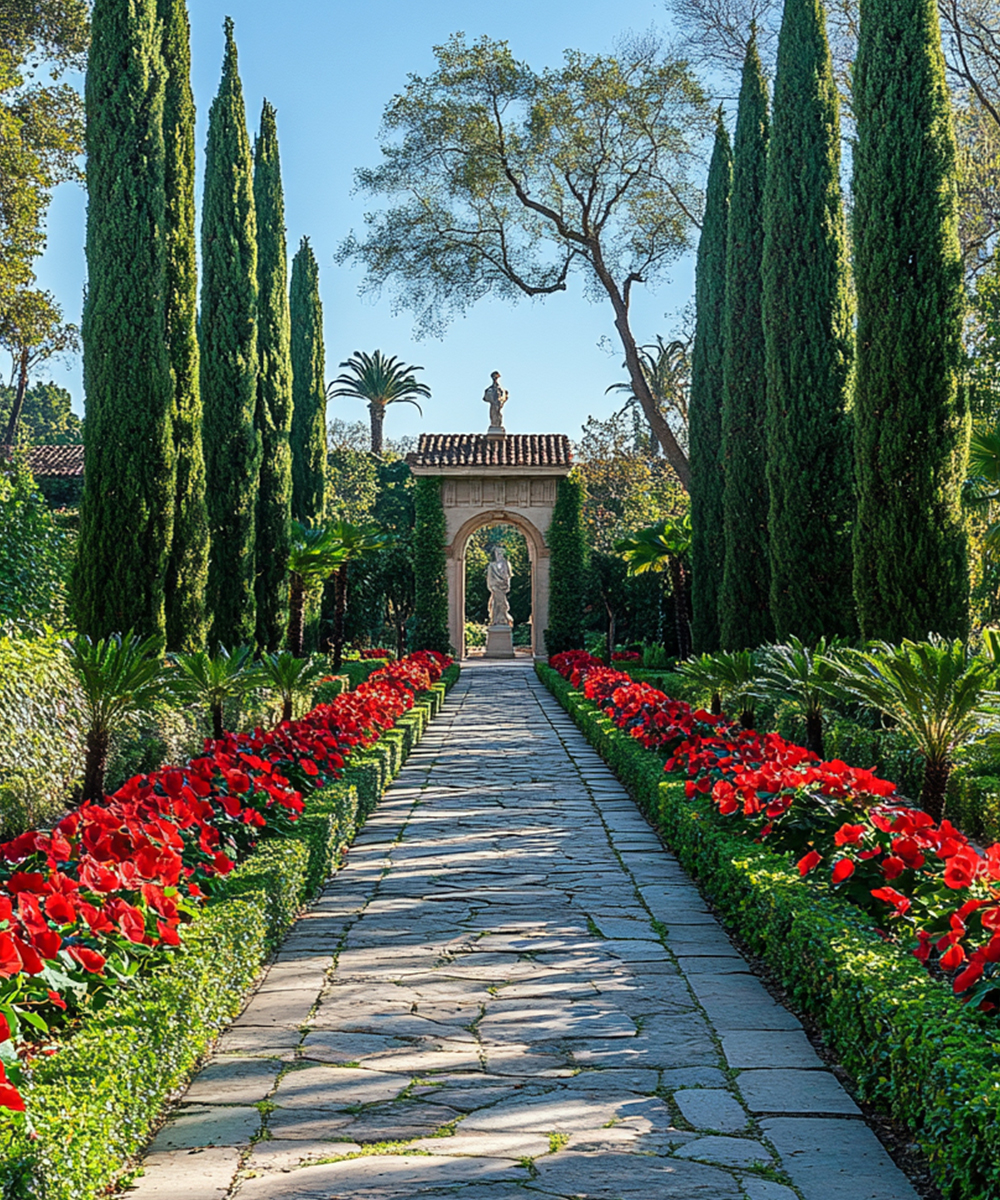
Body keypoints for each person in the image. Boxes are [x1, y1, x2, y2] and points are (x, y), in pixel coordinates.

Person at [486, 544, 513, 625]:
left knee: (502, 603)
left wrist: (507, 584)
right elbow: (490, 577)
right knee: (497, 603)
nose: (499, 554)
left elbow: (508, 576)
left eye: (500, 552)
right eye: (497, 552)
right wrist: (492, 586)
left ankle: (502, 619)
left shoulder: (506, 564)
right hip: (495, 586)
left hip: (503, 586)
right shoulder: (492, 565)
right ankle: (496, 619)